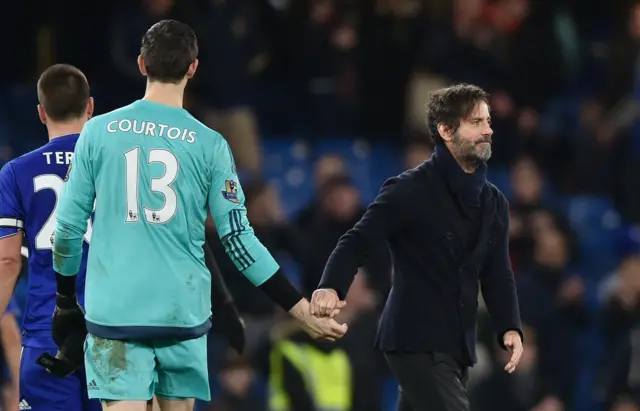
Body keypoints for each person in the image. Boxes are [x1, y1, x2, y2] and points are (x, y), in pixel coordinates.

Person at [50, 20, 347, 411]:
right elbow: (240, 241)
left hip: (116, 314)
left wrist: (65, 299)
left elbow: (68, 229)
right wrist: (299, 308)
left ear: (141, 64)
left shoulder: (98, 132)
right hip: (181, 313)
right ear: (193, 68)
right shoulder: (211, 145)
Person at [0, 64, 244, 411]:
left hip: (48, 328)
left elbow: (8, 261)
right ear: (91, 107)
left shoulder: (16, 173)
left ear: (40, 113)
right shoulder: (127, 161)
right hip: (118, 328)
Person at [310, 84, 524, 411]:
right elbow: (357, 240)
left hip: (458, 346)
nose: (488, 130)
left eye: (488, 121)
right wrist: (330, 285)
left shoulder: (493, 201)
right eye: (477, 122)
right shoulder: (408, 190)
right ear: (446, 130)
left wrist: (509, 325)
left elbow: (497, 272)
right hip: (414, 341)